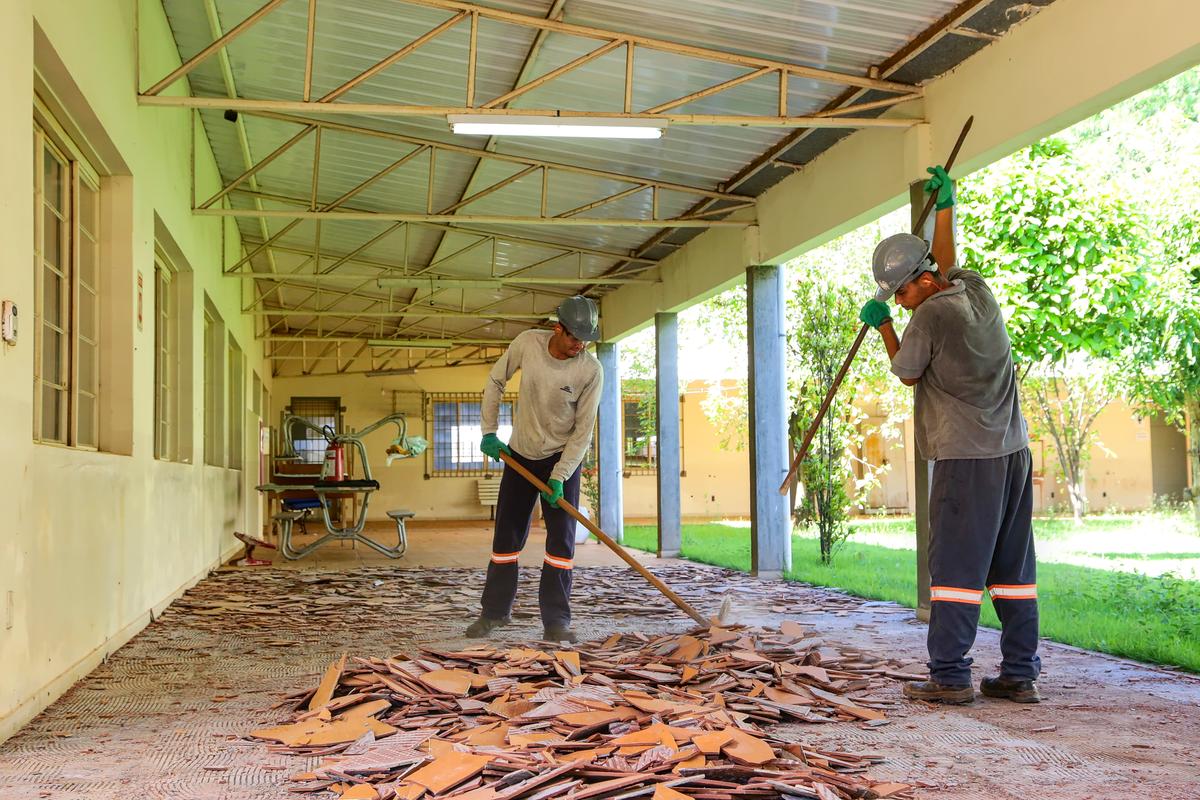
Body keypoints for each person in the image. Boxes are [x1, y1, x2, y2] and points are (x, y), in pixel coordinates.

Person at [858, 165, 1041, 704]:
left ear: (922, 282)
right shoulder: (975, 292)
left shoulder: (930, 317)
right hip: (1012, 452)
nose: (897, 301)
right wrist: (946, 208)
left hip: (966, 459)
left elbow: (908, 372)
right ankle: (1020, 673)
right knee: (1012, 566)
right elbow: (948, 257)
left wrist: (883, 328)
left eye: (898, 294)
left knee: (956, 565)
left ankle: (950, 677)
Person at [465, 295, 603, 643]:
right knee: (506, 540)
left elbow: (583, 432)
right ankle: (495, 613)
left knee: (561, 545)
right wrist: (488, 432)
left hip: (562, 461)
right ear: (558, 328)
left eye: (585, 339)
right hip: (520, 456)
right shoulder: (527, 344)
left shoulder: (590, 370)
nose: (579, 345)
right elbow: (496, 381)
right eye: (574, 337)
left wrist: (559, 477)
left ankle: (556, 621)